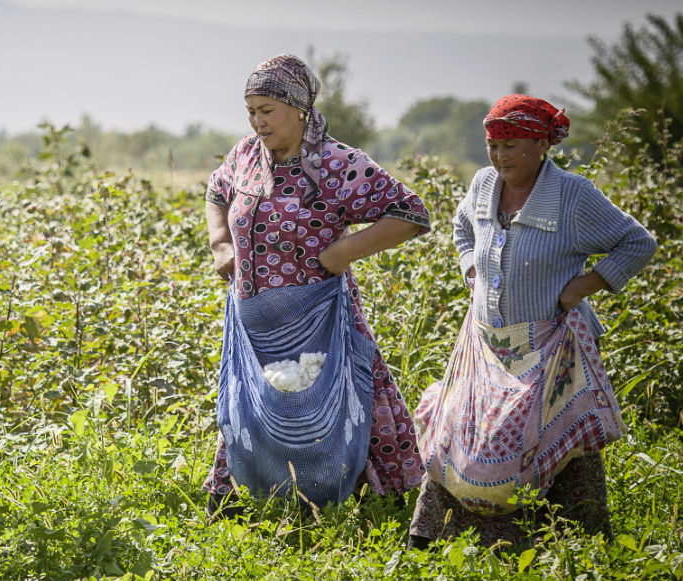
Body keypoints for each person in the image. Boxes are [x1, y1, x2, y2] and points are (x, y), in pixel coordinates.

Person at [407, 94, 656, 550]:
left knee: (555, 447)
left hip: (552, 345)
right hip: (486, 348)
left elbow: (637, 243)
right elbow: (464, 228)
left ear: (542, 144)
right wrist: (470, 268)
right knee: (459, 436)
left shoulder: (572, 196)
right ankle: (433, 541)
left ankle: (570, 548)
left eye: (513, 144)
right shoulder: (483, 185)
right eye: (493, 144)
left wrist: (582, 287)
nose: (500, 156)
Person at [204, 53, 430, 515]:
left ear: (300, 109)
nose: (257, 121)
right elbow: (217, 190)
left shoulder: (337, 163)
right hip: (253, 327)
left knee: (335, 404)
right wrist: (220, 243)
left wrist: (344, 252)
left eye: (267, 110)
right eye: (251, 111)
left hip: (318, 321)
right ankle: (251, 503)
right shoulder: (246, 156)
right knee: (252, 409)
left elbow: (411, 214)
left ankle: (370, 504)